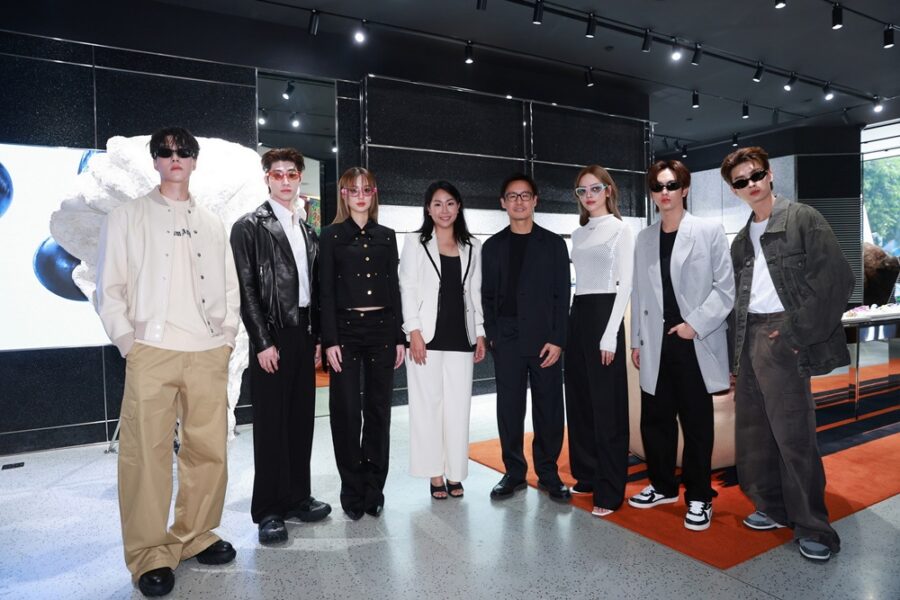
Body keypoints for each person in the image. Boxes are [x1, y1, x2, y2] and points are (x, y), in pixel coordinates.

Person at [95, 127, 239, 597]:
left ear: (194, 161)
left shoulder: (213, 223)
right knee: (145, 456)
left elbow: (230, 286)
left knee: (209, 451)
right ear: (155, 161)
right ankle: (148, 554)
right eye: (166, 152)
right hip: (150, 351)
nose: (175, 158)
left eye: (183, 152)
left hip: (206, 351)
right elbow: (108, 288)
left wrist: (225, 338)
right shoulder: (126, 217)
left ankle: (196, 535)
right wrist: (127, 341)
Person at [721, 146, 853, 561]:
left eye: (756, 175)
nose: (751, 184)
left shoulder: (802, 219)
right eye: (741, 181)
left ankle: (814, 526)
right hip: (749, 334)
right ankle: (772, 506)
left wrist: (795, 334)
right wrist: (734, 358)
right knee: (754, 434)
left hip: (783, 332)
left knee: (793, 435)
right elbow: (736, 304)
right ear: (733, 190)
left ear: (770, 174)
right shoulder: (741, 240)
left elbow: (836, 280)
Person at [230, 148, 332, 545]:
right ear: (267, 179)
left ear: (300, 177)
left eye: (292, 174)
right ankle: (269, 510)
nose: (285, 181)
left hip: (303, 332)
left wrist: (318, 338)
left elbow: (313, 289)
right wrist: (262, 341)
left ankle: (297, 497)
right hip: (272, 335)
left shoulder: (306, 228)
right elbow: (246, 289)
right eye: (278, 174)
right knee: (271, 424)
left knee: (301, 420)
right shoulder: (249, 226)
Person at [629, 159, 734, 532]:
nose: (665, 192)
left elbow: (726, 289)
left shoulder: (708, 231)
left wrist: (695, 325)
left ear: (685, 189)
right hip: (655, 342)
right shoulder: (644, 238)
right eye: (658, 187)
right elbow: (639, 291)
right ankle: (662, 486)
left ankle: (700, 496)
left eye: (671, 185)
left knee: (696, 423)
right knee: (655, 419)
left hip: (693, 340)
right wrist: (637, 340)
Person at [320, 167, 405, 520]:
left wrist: (399, 336)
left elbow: (393, 286)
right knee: (345, 412)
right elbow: (325, 290)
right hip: (346, 332)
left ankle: (374, 490)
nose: (359, 195)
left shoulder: (386, 235)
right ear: (343, 194)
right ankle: (351, 490)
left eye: (365, 189)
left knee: (378, 411)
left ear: (374, 194)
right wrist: (329, 340)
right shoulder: (330, 236)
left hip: (382, 330)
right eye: (352, 190)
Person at [481, 173, 571, 502]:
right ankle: (514, 472)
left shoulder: (554, 244)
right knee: (509, 408)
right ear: (503, 203)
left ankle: (548, 473)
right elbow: (487, 296)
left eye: (525, 195)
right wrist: (493, 335)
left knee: (549, 408)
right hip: (507, 338)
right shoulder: (492, 247)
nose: (519, 201)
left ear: (535, 201)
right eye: (512, 196)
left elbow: (563, 295)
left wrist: (558, 339)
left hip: (545, 339)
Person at [399, 181, 487, 499]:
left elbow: (475, 291)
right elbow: (407, 287)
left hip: (461, 336)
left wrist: (480, 331)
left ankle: (455, 473)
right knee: (427, 407)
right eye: (437, 204)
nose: (444, 210)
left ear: (459, 207)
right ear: (428, 209)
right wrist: (413, 331)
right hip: (426, 337)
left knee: (458, 408)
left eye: (450, 203)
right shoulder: (415, 242)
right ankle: (435, 474)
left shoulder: (473, 245)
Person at [565, 165, 634, 517]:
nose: (589, 195)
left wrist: (611, 333)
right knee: (579, 400)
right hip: (578, 313)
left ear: (608, 190)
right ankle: (588, 473)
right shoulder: (577, 234)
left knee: (608, 406)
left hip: (606, 314)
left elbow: (626, 284)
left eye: (595, 188)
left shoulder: (621, 229)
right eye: (582, 190)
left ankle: (610, 488)